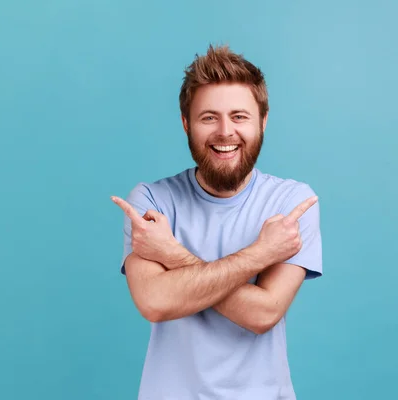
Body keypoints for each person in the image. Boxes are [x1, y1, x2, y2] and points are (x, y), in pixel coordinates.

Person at [111, 44, 323, 400]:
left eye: (239, 116)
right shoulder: (151, 200)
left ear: (263, 121)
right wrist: (260, 254)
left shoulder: (292, 203)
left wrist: (173, 255)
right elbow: (154, 301)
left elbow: (264, 313)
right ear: (186, 124)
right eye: (209, 117)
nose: (225, 132)